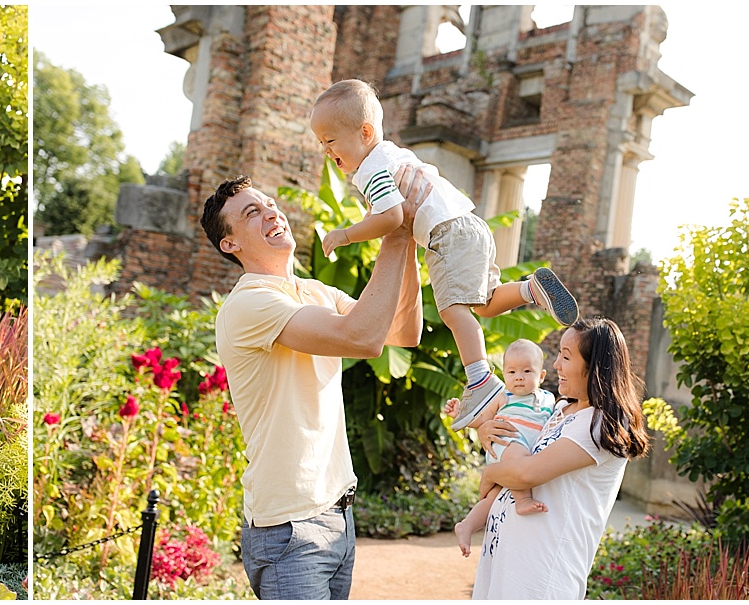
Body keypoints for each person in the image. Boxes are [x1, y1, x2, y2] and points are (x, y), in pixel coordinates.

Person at [202, 169, 430, 600]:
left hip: (338, 515)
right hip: (289, 530)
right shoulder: (251, 301)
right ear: (229, 244)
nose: (271, 213)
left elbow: (402, 332)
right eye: (253, 212)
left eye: (270, 204)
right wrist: (394, 233)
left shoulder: (313, 290)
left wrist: (409, 239)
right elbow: (359, 338)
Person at [308, 79, 579, 429]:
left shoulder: (372, 168)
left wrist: (346, 234)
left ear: (364, 132)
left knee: (452, 309)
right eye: (321, 144)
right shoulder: (392, 153)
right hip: (471, 227)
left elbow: (391, 216)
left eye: (330, 141)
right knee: (485, 303)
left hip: (446, 234)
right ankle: (531, 290)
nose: (327, 151)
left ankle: (480, 378)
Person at [468, 318, 651, 598]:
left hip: (542, 577)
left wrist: (490, 474)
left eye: (566, 357)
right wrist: (486, 429)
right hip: (509, 563)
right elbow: (517, 440)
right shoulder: (561, 410)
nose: (555, 365)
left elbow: (526, 473)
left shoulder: (602, 424)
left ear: (595, 367)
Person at [440, 338, 559, 555]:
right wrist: (460, 413)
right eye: (512, 372)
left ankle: (467, 525)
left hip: (522, 452)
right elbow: (481, 419)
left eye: (526, 371)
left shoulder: (550, 399)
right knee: (519, 458)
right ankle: (522, 500)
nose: (519, 377)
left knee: (494, 496)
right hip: (505, 444)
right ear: (504, 375)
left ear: (541, 376)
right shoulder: (504, 397)